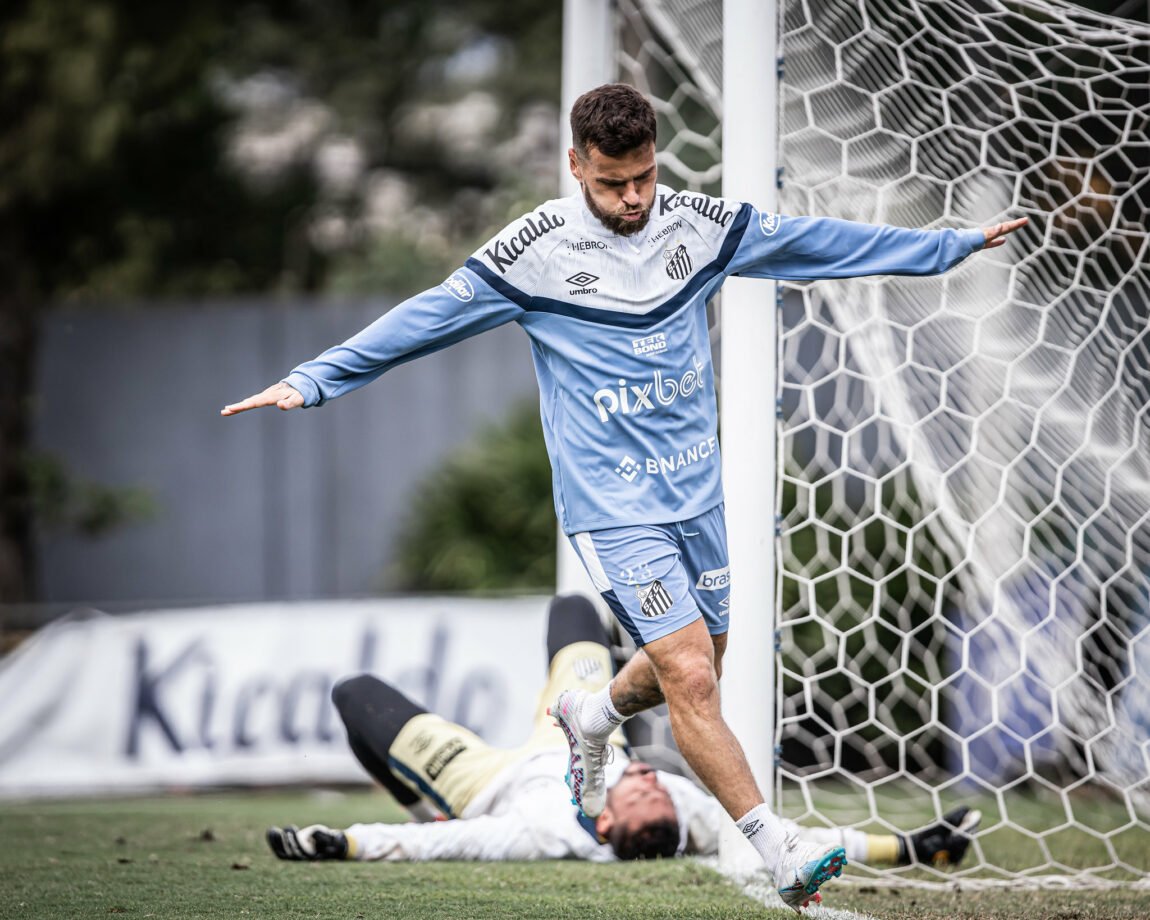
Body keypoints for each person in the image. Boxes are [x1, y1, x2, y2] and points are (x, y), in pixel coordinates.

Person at [224, 83, 1024, 911]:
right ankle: (775, 845)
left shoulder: (697, 225)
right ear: (575, 166)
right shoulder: (530, 254)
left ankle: (593, 712)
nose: (634, 198)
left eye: (644, 177)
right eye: (612, 184)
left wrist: (944, 247)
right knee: (692, 678)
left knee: (705, 658)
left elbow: (813, 243)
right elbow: (423, 318)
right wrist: (314, 379)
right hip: (614, 506)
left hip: (696, 492)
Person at [267, 594, 981, 873]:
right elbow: (803, 841)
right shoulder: (689, 809)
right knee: (574, 610)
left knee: (355, 695)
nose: (648, 776)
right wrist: (913, 847)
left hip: (486, 781)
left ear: (605, 825)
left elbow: (442, 846)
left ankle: (427, 793)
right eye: (652, 784)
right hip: (579, 732)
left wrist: (345, 843)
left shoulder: (545, 832)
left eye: (640, 791)